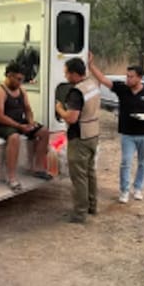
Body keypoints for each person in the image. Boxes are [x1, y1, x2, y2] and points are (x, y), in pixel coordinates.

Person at [88, 53, 144, 203]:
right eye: (127, 76)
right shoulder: (122, 89)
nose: (127, 79)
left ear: (139, 78)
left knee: (143, 163)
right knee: (125, 163)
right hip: (127, 134)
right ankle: (124, 190)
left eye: (131, 77)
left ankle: (138, 189)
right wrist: (91, 65)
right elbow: (103, 79)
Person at [0, 61, 51, 191]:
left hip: (19, 122)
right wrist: (19, 126)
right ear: (9, 75)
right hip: (2, 125)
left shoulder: (21, 90)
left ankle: (38, 168)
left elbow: (28, 109)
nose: (20, 82)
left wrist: (30, 122)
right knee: (14, 137)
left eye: (22, 80)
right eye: (18, 79)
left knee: (44, 132)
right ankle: (12, 177)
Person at [55, 57, 101, 224]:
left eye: (67, 73)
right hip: (93, 134)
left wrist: (59, 108)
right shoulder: (92, 84)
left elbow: (71, 118)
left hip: (80, 137)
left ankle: (80, 213)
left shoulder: (77, 92)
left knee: (79, 177)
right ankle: (92, 206)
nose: (65, 76)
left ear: (74, 74)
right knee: (90, 172)